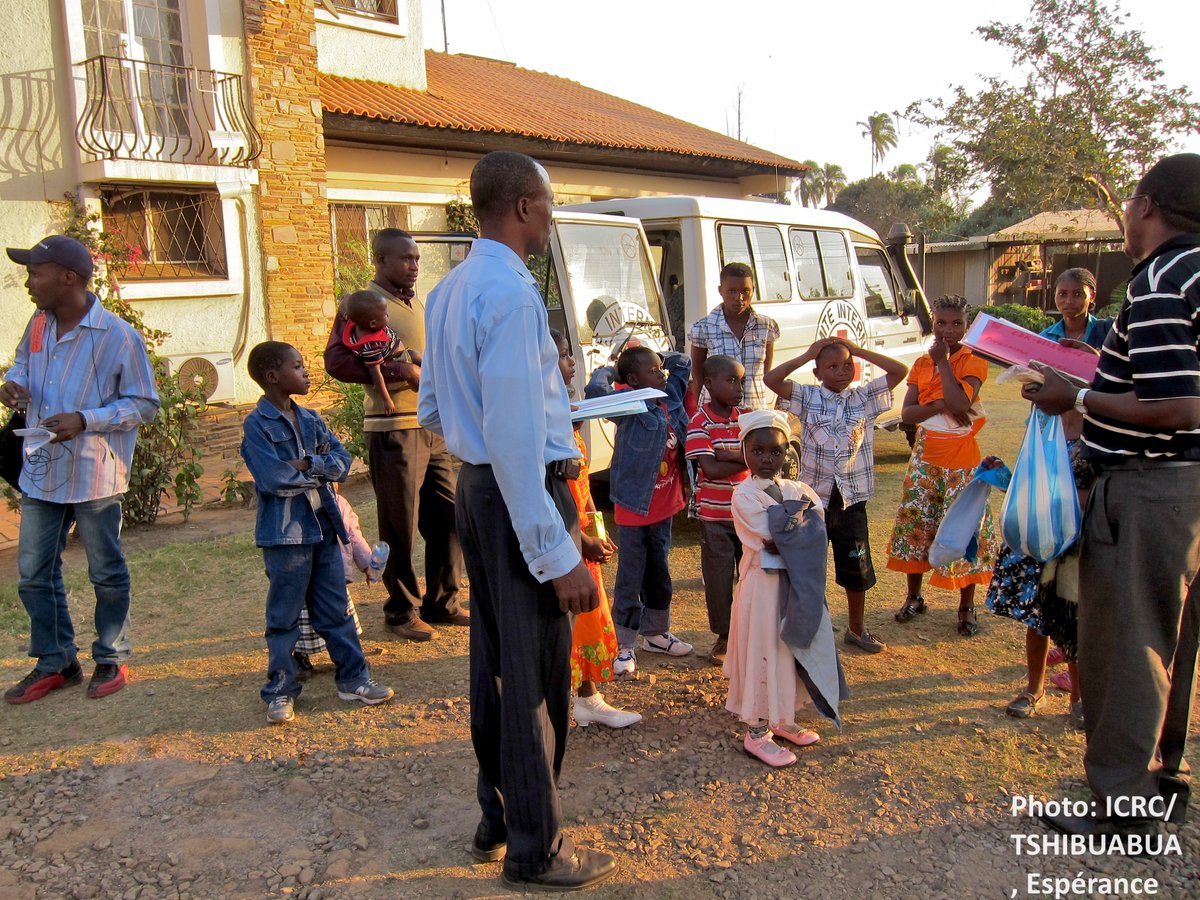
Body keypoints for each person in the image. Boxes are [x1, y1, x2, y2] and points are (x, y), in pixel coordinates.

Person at [418, 150, 617, 890]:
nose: (553, 215)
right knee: (532, 678)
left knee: (495, 667)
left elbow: (437, 408)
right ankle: (536, 850)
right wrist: (553, 547)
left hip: (483, 489)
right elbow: (510, 435)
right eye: (551, 203)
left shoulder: (449, 290)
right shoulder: (509, 292)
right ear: (527, 207)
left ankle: (498, 815)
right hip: (516, 493)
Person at [1023, 153, 1200, 839]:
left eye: (1128, 204)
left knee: (1129, 643)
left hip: (1151, 486)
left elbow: (1180, 406)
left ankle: (1122, 808)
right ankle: (1162, 774)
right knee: (1172, 636)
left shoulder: (1158, 282)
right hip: (1186, 489)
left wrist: (1080, 396)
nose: (1126, 217)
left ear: (1148, 205)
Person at [2, 235, 159, 704]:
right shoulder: (37, 324)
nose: (29, 283)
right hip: (41, 470)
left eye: (36, 273)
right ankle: (56, 662)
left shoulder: (116, 336)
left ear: (68, 277)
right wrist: (12, 385)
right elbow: (22, 366)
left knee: (105, 571)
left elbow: (145, 404)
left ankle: (111, 656)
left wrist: (86, 419)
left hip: (94, 474)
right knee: (33, 572)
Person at [240, 341, 394, 724]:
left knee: (335, 611)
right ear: (273, 376)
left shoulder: (311, 419)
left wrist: (308, 463)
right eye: (298, 366)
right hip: (286, 535)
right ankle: (280, 691)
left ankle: (354, 679)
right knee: (284, 618)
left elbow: (342, 463)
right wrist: (317, 470)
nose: (306, 372)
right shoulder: (256, 426)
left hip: (325, 527)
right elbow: (273, 478)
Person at [324, 229, 466, 643]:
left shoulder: (412, 303)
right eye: (405, 259)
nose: (414, 265)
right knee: (399, 524)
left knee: (449, 517)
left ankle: (442, 602)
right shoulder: (363, 305)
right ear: (380, 260)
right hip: (393, 429)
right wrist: (397, 371)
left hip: (431, 427)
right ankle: (401, 610)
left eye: (417, 258)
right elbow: (336, 362)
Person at [990, 267, 1109, 726]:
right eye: (1061, 293)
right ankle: (1034, 687)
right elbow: (1027, 485)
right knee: (1038, 614)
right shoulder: (1041, 431)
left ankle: (1080, 699)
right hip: (1043, 530)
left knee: (1075, 615)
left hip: (1080, 535)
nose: (1068, 299)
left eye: (1076, 293)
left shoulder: (1097, 435)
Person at [764, 336, 909, 653]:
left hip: (852, 501)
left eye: (847, 364)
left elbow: (900, 370)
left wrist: (858, 351)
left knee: (856, 568)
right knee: (807, 567)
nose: (842, 371)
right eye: (832, 366)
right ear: (818, 373)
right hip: (813, 501)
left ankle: (856, 630)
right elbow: (771, 379)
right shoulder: (808, 397)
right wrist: (806, 354)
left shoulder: (864, 398)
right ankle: (806, 629)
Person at [886, 296, 998, 637]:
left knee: (965, 529)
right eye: (940, 323)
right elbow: (908, 414)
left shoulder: (973, 360)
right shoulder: (922, 363)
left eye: (956, 324)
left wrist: (945, 365)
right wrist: (937, 403)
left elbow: (962, 403)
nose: (948, 330)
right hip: (925, 459)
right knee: (917, 526)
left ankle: (966, 608)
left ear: (967, 326)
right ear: (932, 323)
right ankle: (914, 597)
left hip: (961, 462)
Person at [586, 344, 694, 678]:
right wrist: (612, 370)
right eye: (652, 370)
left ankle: (657, 634)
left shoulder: (669, 394)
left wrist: (659, 357)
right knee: (631, 575)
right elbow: (594, 392)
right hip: (635, 506)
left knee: (659, 571)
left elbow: (683, 362)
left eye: (660, 369)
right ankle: (625, 643)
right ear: (632, 379)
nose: (661, 374)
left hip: (665, 506)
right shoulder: (628, 404)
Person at [551, 329, 640, 729]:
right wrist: (580, 539)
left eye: (570, 355)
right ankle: (571, 698)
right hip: (561, 539)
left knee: (589, 613)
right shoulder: (539, 422)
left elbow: (582, 483)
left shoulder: (566, 414)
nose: (572, 364)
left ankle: (587, 697)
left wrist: (596, 527)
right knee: (571, 617)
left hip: (582, 532)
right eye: (564, 356)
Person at [725, 410, 823, 767]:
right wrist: (797, 531)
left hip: (793, 586)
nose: (767, 459)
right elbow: (772, 539)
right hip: (762, 590)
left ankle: (783, 717)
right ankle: (757, 731)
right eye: (759, 451)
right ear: (745, 452)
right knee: (762, 651)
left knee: (789, 650)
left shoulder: (799, 489)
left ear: (787, 453)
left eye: (776, 452)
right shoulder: (743, 495)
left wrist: (794, 533)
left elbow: (814, 529)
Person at [684, 354, 750, 664]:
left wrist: (729, 455)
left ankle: (752, 633)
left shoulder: (748, 417)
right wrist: (744, 457)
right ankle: (724, 637)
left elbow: (766, 455)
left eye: (741, 380)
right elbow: (709, 469)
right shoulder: (699, 422)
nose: (739, 387)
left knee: (752, 577)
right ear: (708, 384)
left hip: (749, 516)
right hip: (715, 517)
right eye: (731, 380)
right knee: (719, 580)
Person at [293, 482, 369, 679]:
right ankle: (299, 658)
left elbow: (354, 535)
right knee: (301, 621)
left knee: (340, 616)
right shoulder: (296, 506)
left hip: (334, 574)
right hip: (303, 577)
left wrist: (368, 563)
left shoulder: (341, 504)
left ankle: (349, 657)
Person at [688, 262, 780, 410]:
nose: (739, 297)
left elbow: (766, 372)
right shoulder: (704, 327)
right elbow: (698, 374)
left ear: (753, 290)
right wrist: (703, 411)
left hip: (754, 410)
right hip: (717, 413)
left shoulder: (766, 326)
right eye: (732, 291)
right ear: (720, 290)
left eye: (745, 291)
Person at [339, 289, 408, 416]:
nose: (388, 316)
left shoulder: (356, 321)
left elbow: (346, 307)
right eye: (386, 315)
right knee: (416, 356)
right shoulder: (371, 347)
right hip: (395, 357)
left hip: (395, 348)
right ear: (373, 323)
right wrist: (387, 400)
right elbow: (377, 376)